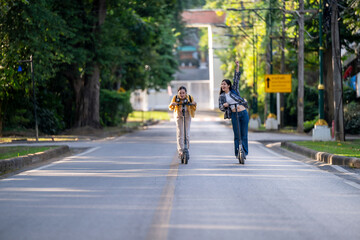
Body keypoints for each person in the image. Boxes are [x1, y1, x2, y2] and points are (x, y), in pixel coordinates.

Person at [218, 61, 249, 159]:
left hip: (243, 113)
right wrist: (225, 105)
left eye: (224, 84)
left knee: (244, 134)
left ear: (229, 86)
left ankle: (244, 152)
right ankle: (237, 153)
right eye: (222, 84)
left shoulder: (234, 90)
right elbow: (221, 107)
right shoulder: (222, 96)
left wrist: (237, 66)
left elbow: (236, 78)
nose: (223, 86)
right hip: (234, 115)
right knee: (237, 135)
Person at [169, 86, 197, 158]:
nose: (182, 95)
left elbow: (194, 106)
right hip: (178, 115)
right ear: (178, 93)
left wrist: (194, 103)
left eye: (183, 93)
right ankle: (180, 151)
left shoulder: (189, 97)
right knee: (180, 133)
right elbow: (171, 107)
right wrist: (173, 104)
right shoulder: (175, 98)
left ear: (186, 93)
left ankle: (186, 148)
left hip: (187, 115)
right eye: (180, 93)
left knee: (186, 133)